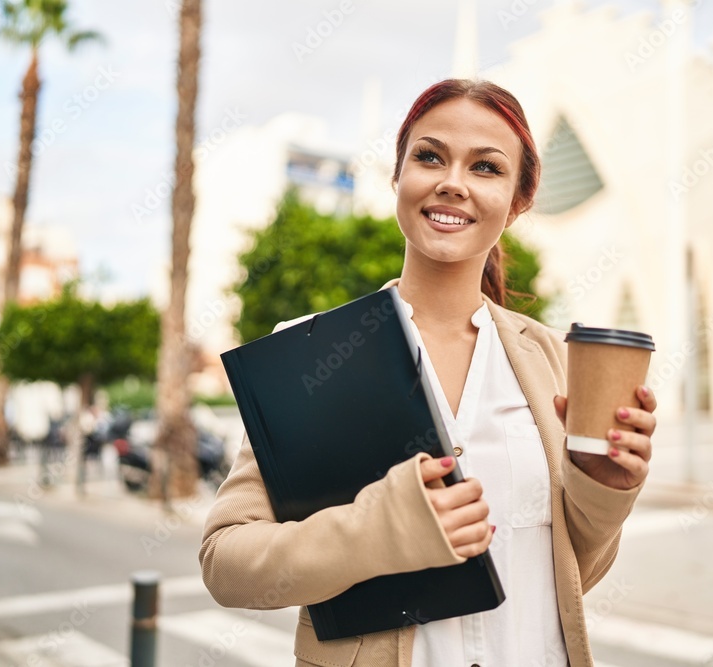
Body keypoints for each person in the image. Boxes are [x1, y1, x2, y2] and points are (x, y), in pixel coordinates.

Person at [199, 78, 657, 667]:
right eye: (430, 156)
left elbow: (570, 575)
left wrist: (603, 489)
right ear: (398, 176)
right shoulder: (312, 354)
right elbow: (226, 566)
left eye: (486, 168)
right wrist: (376, 531)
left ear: (518, 201)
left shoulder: (554, 362)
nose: (452, 182)